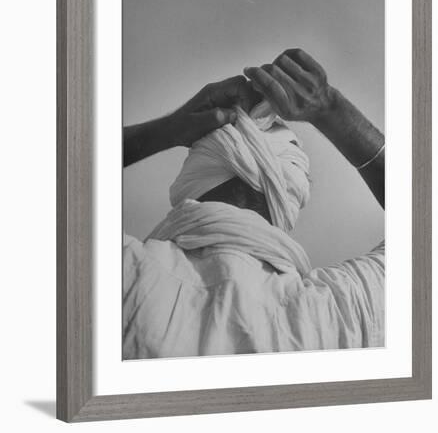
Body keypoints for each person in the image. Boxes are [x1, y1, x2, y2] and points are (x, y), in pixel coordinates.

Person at [123, 48, 385, 359]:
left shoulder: (126, 274)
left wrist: (168, 130)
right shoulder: (340, 312)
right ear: (295, 189)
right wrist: (329, 107)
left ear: (192, 172)